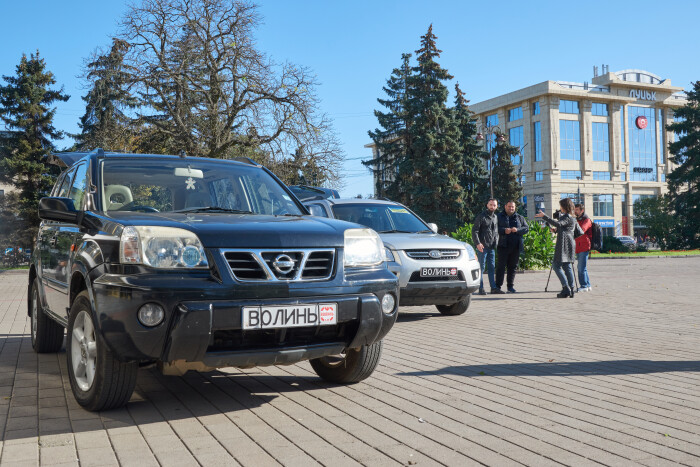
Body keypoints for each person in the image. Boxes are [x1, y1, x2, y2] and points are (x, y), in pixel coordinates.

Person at [536, 198, 577, 298]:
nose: (560, 208)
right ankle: (571, 289)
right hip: (568, 242)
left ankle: (566, 287)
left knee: (556, 265)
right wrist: (555, 230)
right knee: (567, 266)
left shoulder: (567, 217)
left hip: (564, 243)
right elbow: (562, 228)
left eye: (561, 206)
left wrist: (544, 216)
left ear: (564, 207)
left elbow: (559, 224)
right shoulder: (571, 217)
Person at [494, 200, 529, 293]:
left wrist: (517, 229)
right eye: (509, 206)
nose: (511, 208)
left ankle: (510, 286)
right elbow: (493, 228)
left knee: (512, 267)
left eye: (512, 207)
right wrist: (504, 230)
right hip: (502, 246)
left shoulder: (519, 217)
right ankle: (497, 286)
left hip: (516, 247)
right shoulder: (498, 217)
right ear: (505, 206)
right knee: (501, 267)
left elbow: (526, 228)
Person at [472, 199, 499, 295]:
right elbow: (474, 231)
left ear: (496, 206)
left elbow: (495, 231)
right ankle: (481, 288)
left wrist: (496, 242)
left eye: (494, 205)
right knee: (481, 267)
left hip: (491, 247)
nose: (492, 207)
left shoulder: (495, 217)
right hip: (482, 247)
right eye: (490, 205)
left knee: (492, 267)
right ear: (487, 205)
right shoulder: (481, 216)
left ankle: (493, 288)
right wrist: (478, 243)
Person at [574, 203, 593, 292]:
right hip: (578, 246)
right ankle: (588, 285)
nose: (575, 211)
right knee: (583, 267)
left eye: (577, 210)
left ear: (582, 211)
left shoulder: (587, 220)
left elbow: (582, 230)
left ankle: (583, 285)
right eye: (574, 209)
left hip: (584, 246)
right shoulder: (577, 219)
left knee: (580, 268)